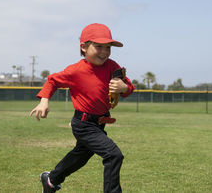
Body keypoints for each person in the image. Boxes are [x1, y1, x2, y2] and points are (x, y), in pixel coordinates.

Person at [30, 23, 135, 193]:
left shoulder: (112, 66)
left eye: (108, 47)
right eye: (98, 46)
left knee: (80, 157)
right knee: (113, 155)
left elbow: (127, 86)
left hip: (99, 123)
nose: (104, 52)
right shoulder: (76, 71)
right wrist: (44, 100)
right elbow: (52, 80)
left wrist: (124, 88)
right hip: (83, 124)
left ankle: (50, 181)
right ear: (84, 47)